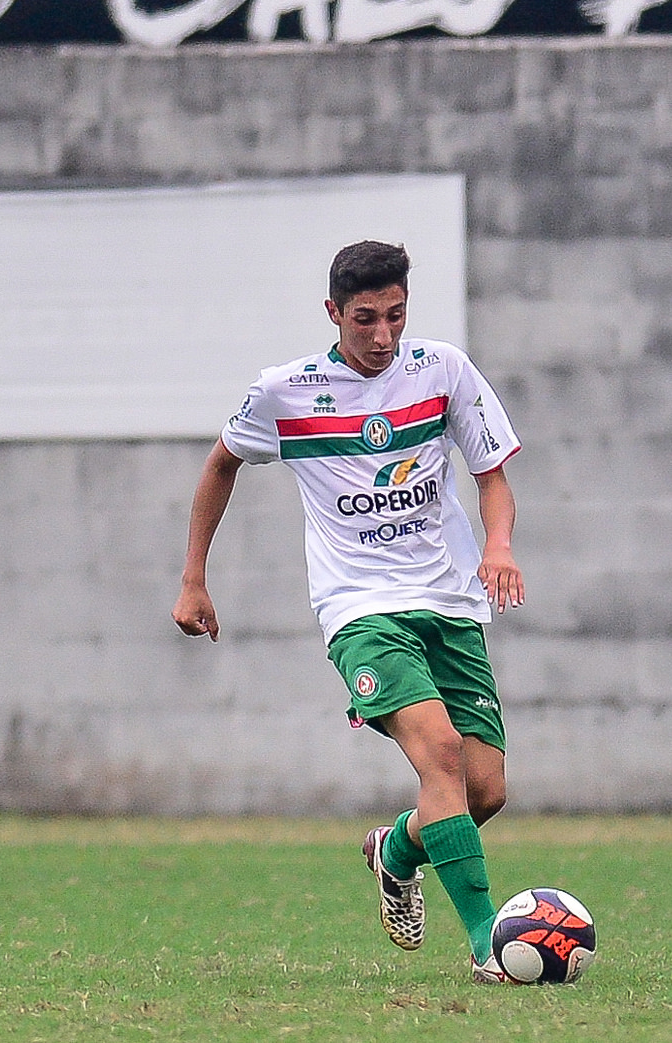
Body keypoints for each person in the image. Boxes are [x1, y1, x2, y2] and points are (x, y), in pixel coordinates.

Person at [173, 240, 526, 981]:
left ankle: (395, 850)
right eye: (364, 319)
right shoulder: (287, 391)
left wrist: (498, 544)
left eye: (395, 316)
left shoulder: (443, 369)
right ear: (333, 313)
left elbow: (491, 473)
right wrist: (193, 578)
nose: (382, 336)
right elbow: (219, 464)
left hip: (450, 601)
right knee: (442, 754)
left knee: (485, 789)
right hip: (360, 609)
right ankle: (488, 944)